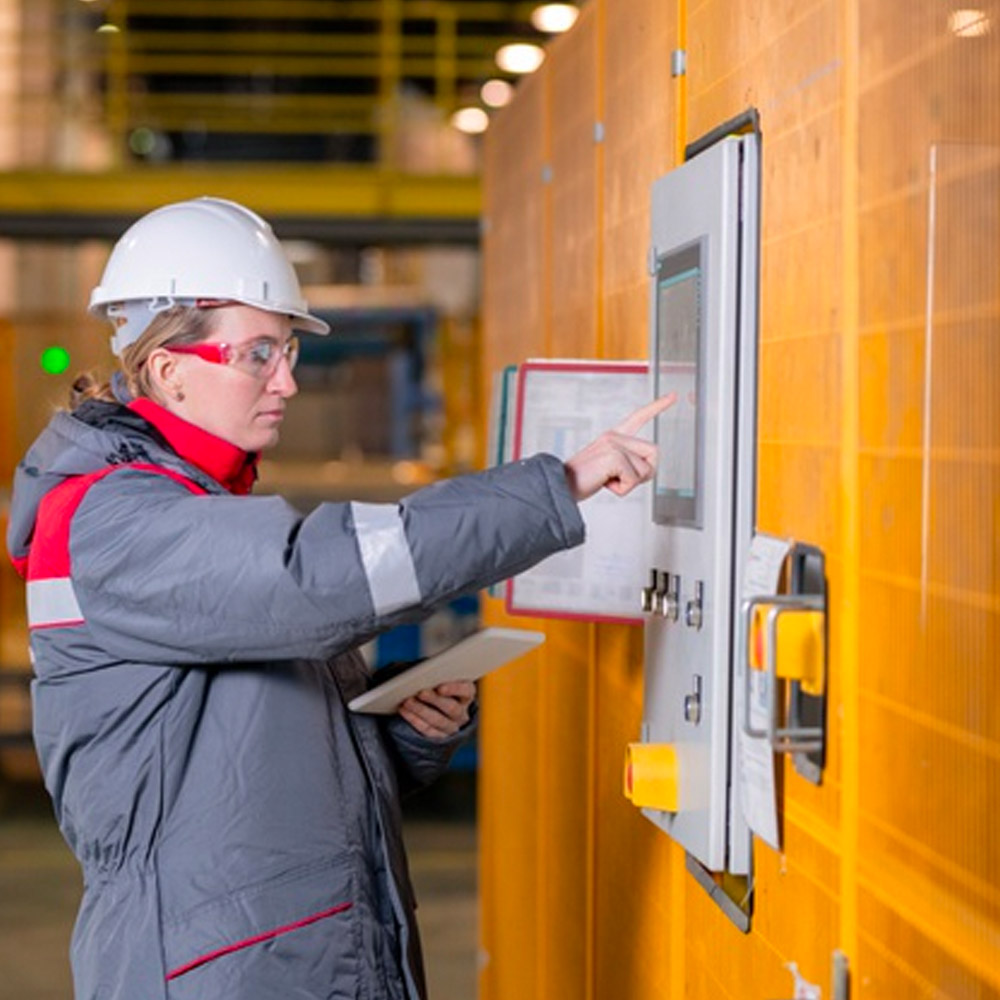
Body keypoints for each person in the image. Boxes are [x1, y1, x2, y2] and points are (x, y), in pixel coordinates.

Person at [5, 197, 671, 1000]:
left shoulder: (194, 511)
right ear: (169, 368)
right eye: (256, 354)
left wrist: (407, 733)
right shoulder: (113, 520)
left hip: (296, 954)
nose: (286, 380)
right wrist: (555, 488)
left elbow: (256, 766)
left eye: (286, 350)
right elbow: (318, 579)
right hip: (215, 973)